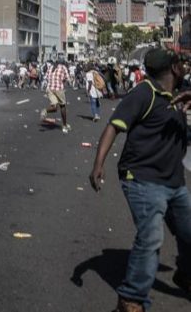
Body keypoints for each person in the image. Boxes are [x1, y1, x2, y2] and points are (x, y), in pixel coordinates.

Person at [89, 48, 191, 312]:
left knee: (189, 232)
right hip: (142, 178)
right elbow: (114, 126)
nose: (186, 66)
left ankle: (186, 274)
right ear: (173, 68)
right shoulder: (144, 93)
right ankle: (131, 298)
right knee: (151, 236)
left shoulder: (180, 93)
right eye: (181, 63)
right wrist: (98, 164)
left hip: (174, 182)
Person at [43, 59, 71, 132]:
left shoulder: (50, 67)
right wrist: (66, 82)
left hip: (49, 89)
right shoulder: (63, 67)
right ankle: (64, 126)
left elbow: (45, 77)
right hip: (59, 89)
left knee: (54, 107)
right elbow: (68, 79)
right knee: (62, 106)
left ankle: (45, 110)